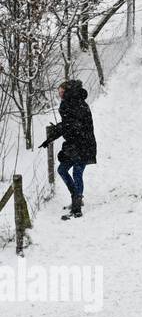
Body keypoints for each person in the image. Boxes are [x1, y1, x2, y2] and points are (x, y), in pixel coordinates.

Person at [38, 79, 97, 219]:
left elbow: (72, 125)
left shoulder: (76, 104)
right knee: (62, 170)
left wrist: (58, 130)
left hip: (83, 145)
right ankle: (75, 196)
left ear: (68, 91)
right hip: (74, 146)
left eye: (61, 92)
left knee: (77, 172)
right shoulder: (70, 103)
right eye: (59, 92)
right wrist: (51, 137)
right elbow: (67, 124)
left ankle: (77, 205)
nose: (59, 94)